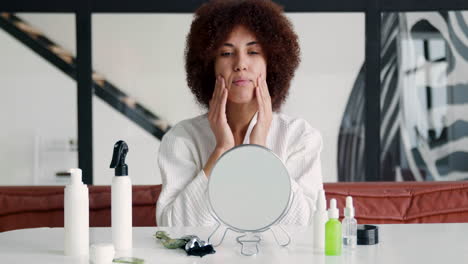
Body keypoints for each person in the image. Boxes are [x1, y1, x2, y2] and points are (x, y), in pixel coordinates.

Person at [156, 0, 323, 227]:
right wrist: (221, 150)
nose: (240, 64)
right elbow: (172, 228)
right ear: (209, 66)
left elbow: (305, 225)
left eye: (253, 51)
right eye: (226, 53)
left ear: (271, 63)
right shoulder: (182, 138)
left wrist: (261, 151)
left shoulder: (299, 137)